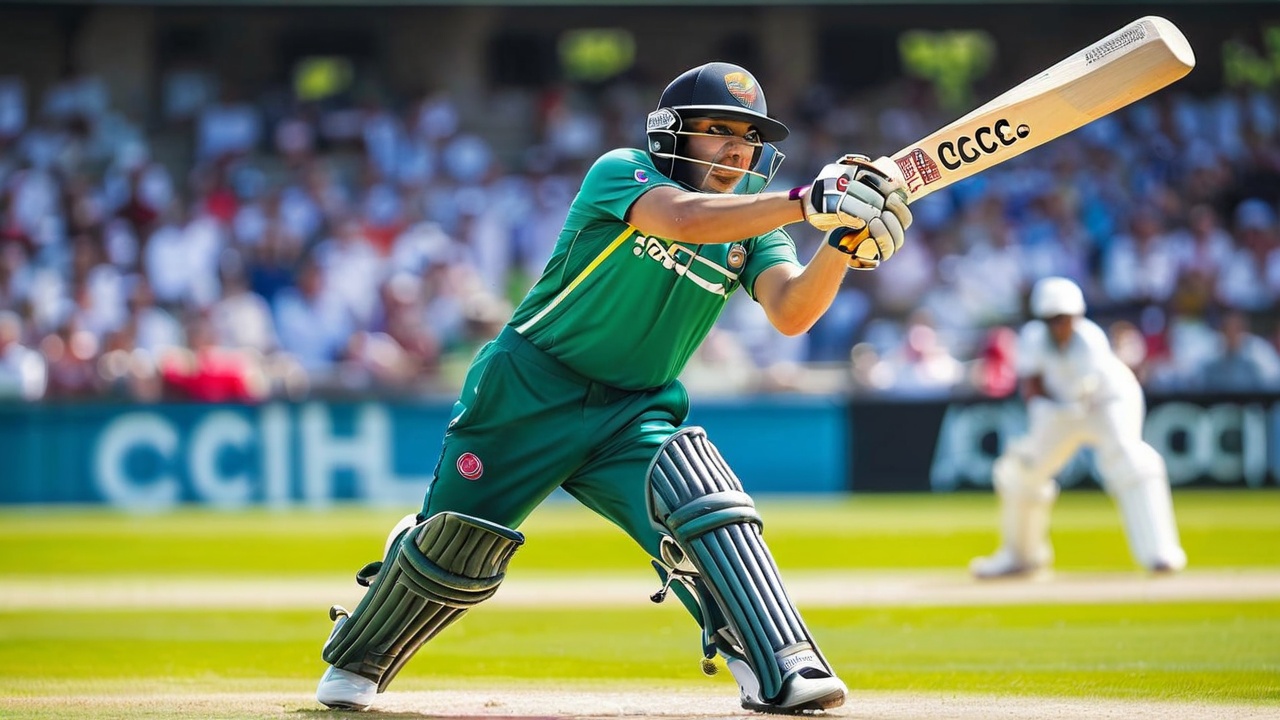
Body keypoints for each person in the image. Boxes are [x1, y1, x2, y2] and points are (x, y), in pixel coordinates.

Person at [313, 61, 912, 714]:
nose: (737, 148)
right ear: (670, 133)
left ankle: (776, 665)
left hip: (634, 410)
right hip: (528, 390)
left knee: (703, 503)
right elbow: (682, 220)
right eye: (718, 130)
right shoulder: (622, 173)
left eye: (748, 136)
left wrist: (843, 244)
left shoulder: (754, 228)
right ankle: (365, 637)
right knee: (453, 554)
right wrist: (809, 203)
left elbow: (793, 310)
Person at [970, 277, 1187, 579]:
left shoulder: (1091, 340)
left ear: (1077, 316)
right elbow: (1032, 387)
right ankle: (1021, 557)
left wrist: (1053, 410)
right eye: (1052, 319)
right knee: (1021, 471)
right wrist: (1044, 414)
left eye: (1064, 319)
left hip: (1107, 403)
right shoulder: (1033, 339)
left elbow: (1082, 393)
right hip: (1060, 409)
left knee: (1131, 461)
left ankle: (1161, 553)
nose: (1059, 326)